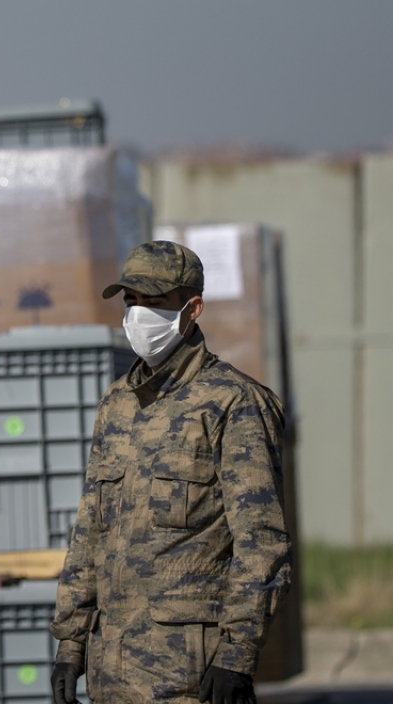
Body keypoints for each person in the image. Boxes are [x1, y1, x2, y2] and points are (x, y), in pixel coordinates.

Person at [49, 241, 292, 704]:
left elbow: (263, 544)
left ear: (192, 307)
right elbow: (89, 534)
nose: (139, 314)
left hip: (188, 674)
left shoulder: (232, 403)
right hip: (111, 671)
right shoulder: (117, 403)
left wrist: (236, 656)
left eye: (154, 303)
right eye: (131, 302)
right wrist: (71, 641)